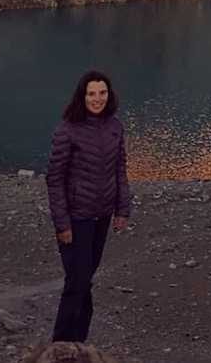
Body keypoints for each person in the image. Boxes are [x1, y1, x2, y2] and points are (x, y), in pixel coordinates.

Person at [46, 69, 131, 343]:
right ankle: (60, 346)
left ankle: (78, 345)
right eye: (92, 94)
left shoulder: (115, 126)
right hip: (76, 219)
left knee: (85, 281)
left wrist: (122, 209)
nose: (97, 99)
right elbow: (55, 179)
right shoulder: (68, 129)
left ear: (109, 94)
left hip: (102, 216)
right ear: (82, 97)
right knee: (76, 284)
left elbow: (120, 169)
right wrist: (62, 225)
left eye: (102, 93)